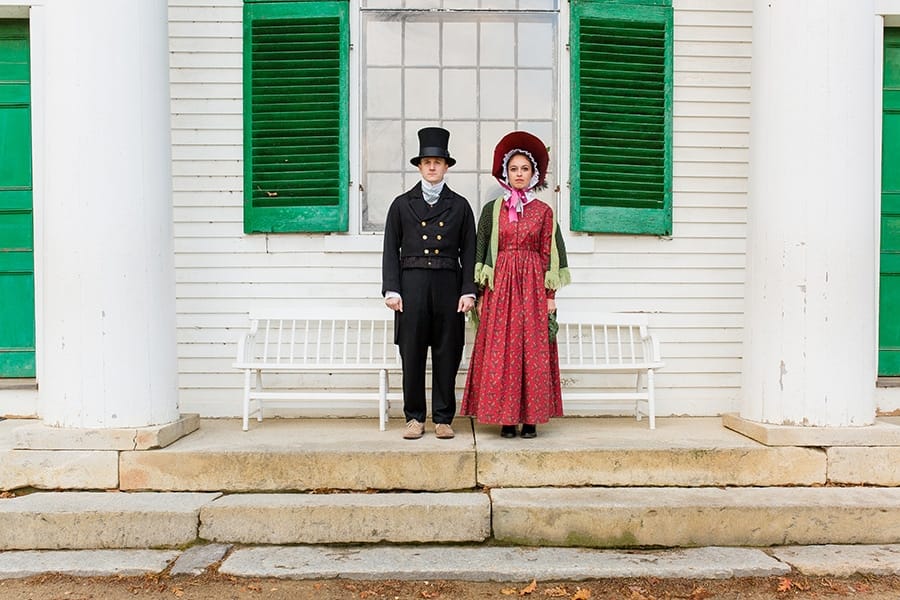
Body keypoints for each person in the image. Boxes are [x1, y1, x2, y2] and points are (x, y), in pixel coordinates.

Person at [461, 131, 570, 439]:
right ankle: (506, 419)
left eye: (525, 169)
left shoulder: (545, 212)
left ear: (534, 174)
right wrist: (480, 294)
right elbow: (481, 252)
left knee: (531, 350)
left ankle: (531, 419)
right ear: (505, 173)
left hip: (533, 288)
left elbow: (551, 254)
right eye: (514, 169)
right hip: (500, 288)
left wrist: (550, 296)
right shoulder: (492, 211)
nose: (519, 174)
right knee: (503, 350)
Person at [382, 127, 477, 440]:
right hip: (411, 286)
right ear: (419, 166)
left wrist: (468, 291)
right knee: (411, 353)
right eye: (426, 162)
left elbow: (470, 251)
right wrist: (392, 289)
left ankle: (443, 418)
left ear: (446, 166)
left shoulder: (460, 206)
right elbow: (390, 249)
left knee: (447, 352)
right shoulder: (400, 204)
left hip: (448, 285)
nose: (432, 167)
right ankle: (414, 417)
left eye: (438, 161)